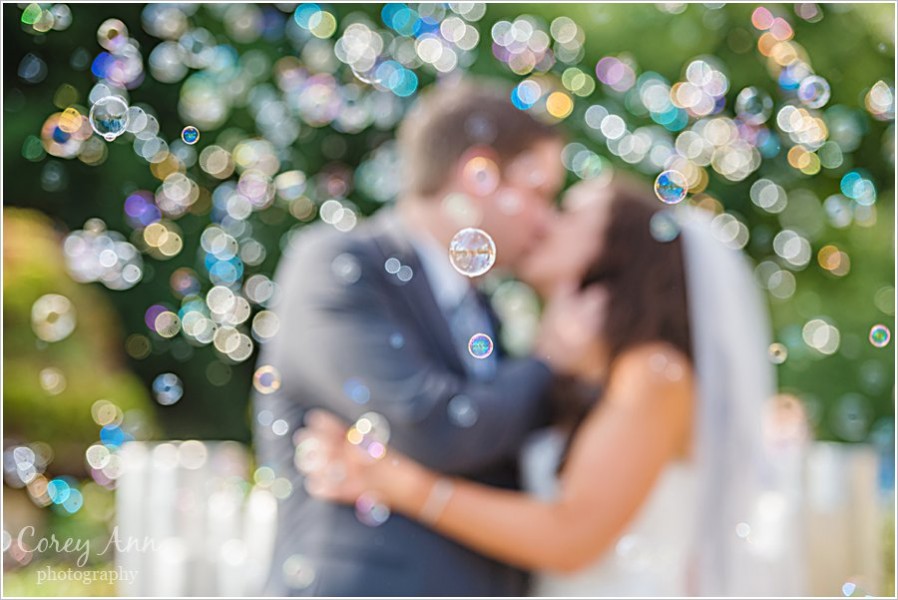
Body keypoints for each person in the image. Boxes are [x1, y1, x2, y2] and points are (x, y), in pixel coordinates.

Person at [298, 176, 807, 596]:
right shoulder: (583, 373)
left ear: (616, 252)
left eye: (570, 215)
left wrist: (401, 484)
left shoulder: (654, 373)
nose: (546, 223)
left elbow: (571, 535)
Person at [252, 78, 603, 596]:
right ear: (478, 176)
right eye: (538, 193)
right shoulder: (339, 265)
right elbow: (430, 424)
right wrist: (549, 360)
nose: (547, 220)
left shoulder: (482, 309)